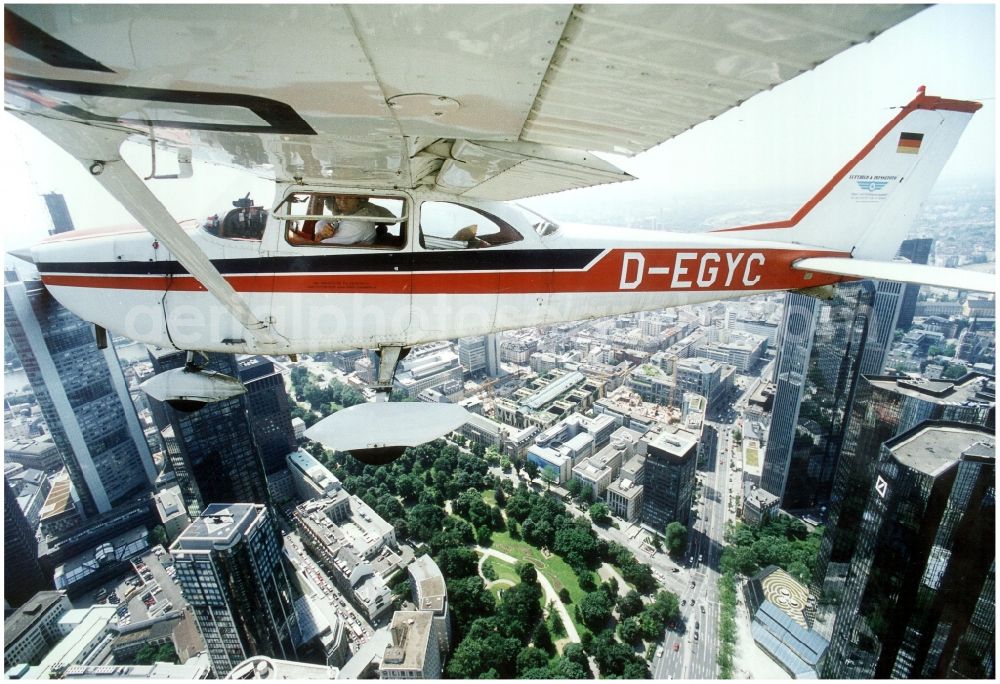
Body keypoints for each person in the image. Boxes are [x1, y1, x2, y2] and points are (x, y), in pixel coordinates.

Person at [315, 195, 395, 245]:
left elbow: (320, 246)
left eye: (349, 197)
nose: (343, 202)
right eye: (338, 197)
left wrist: (320, 236)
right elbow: (322, 222)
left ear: (359, 199)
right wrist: (321, 232)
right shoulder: (348, 213)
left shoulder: (358, 224)